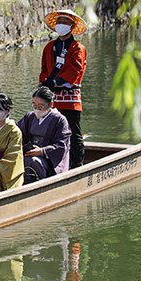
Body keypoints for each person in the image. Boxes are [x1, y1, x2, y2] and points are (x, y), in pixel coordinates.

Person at [39, 9, 88, 167]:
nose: (61, 24)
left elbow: (75, 70)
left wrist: (56, 82)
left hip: (70, 98)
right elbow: (44, 69)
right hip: (51, 98)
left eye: (65, 22)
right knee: (51, 132)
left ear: (72, 26)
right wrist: (44, 83)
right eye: (59, 21)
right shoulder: (49, 47)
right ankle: (54, 165)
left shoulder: (77, 48)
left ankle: (77, 165)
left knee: (73, 133)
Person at [17, 86, 72, 183]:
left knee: (33, 161)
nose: (36, 109)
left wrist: (42, 151)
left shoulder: (59, 120)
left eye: (40, 106)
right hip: (30, 152)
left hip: (49, 159)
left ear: (51, 104)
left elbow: (61, 145)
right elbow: (17, 133)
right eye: (34, 105)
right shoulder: (30, 116)